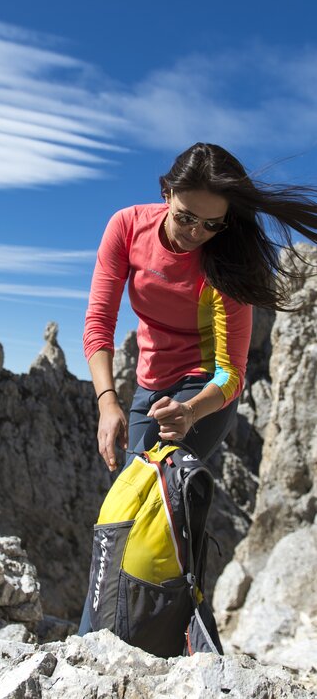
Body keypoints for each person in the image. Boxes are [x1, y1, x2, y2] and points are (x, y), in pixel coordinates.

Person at [78, 141, 317, 634]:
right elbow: (99, 321)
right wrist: (107, 402)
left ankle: (131, 632)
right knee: (128, 509)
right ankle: (126, 627)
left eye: (213, 224)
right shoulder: (127, 227)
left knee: (157, 503)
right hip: (149, 382)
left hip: (203, 390)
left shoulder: (227, 265)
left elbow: (230, 374)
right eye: (188, 217)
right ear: (166, 193)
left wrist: (191, 412)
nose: (197, 234)